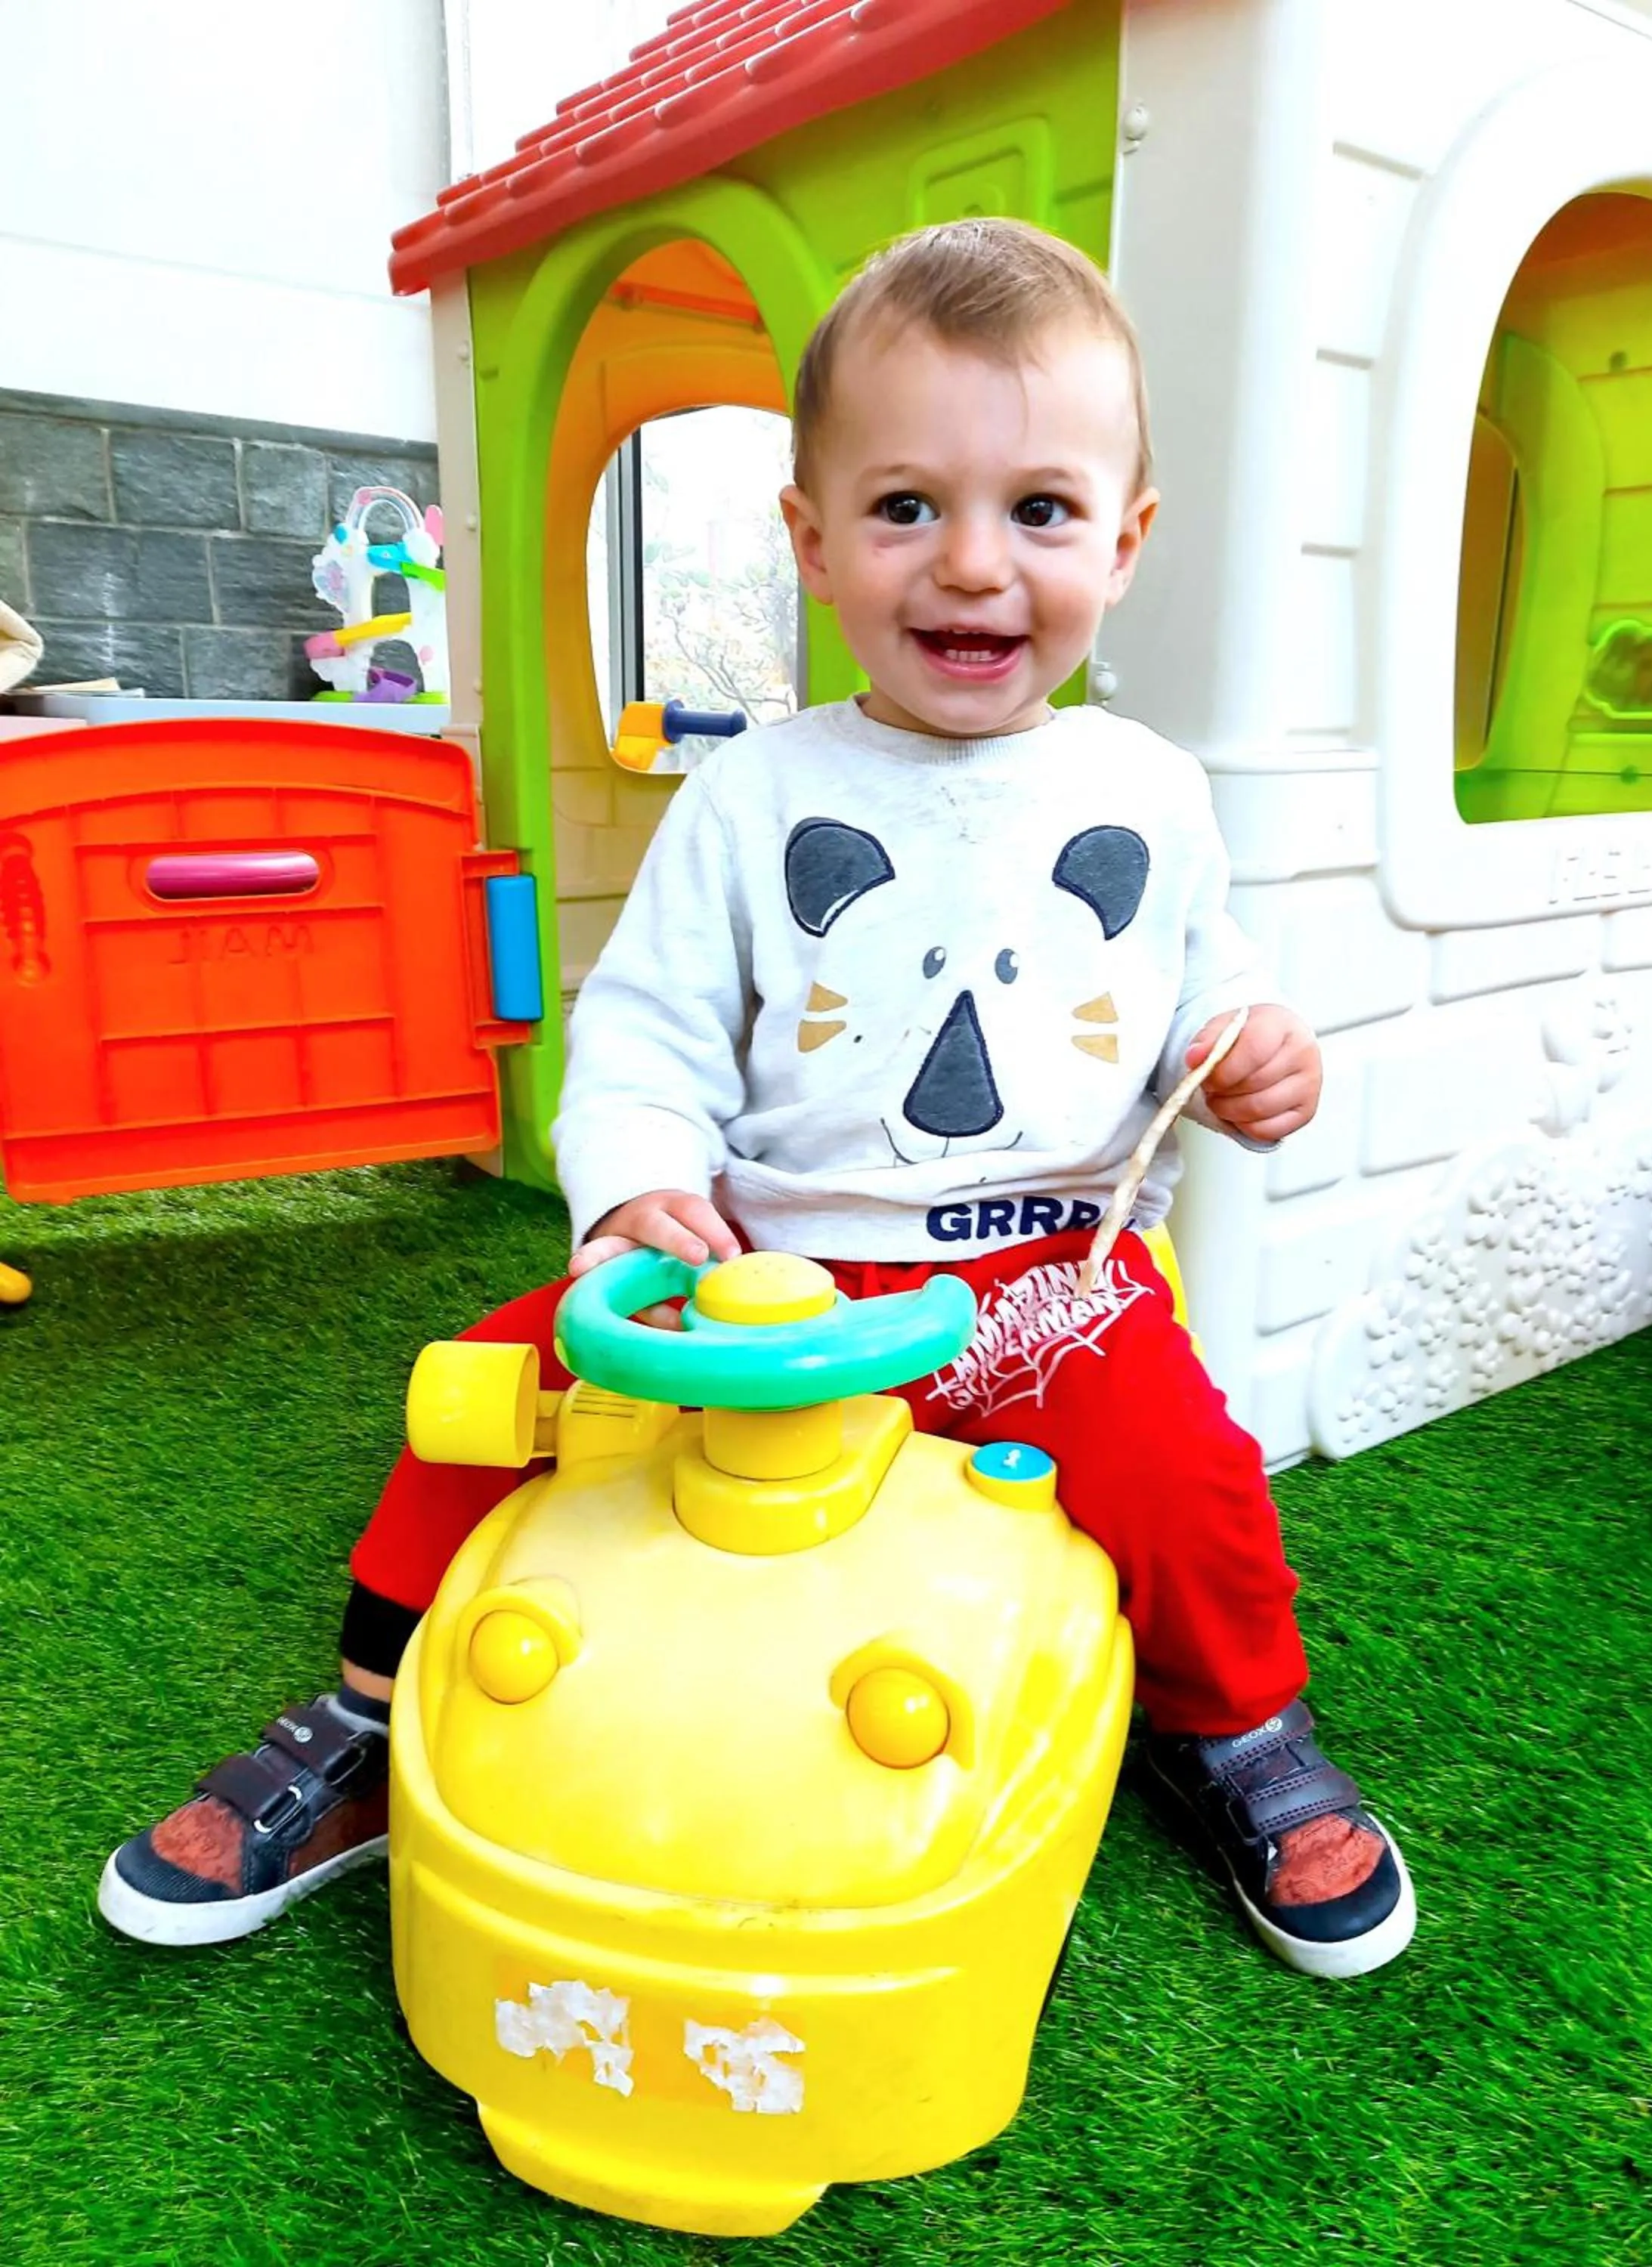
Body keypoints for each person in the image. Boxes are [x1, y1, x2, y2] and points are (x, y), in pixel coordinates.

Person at [101, 218, 1415, 1978]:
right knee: (478, 1395)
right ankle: (361, 1719)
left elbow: (1194, 990)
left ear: (1126, 540)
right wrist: (639, 1194)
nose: (969, 567)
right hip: (761, 1283)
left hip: (1046, 1286)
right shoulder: (755, 797)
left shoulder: (1149, 789)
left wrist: (1254, 1054)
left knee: (1190, 1482)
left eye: (1038, 510)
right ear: (810, 539)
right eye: (903, 509)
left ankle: (1237, 1734)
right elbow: (642, 1032)